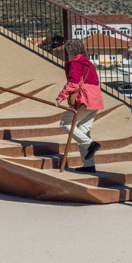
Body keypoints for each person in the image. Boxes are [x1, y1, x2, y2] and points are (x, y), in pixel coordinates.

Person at [54, 39, 104, 173]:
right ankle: (89, 165)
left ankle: (90, 145)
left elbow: (73, 83)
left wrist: (60, 97)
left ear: (71, 50)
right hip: (95, 99)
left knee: (65, 123)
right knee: (83, 130)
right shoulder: (89, 63)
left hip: (84, 99)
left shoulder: (75, 64)